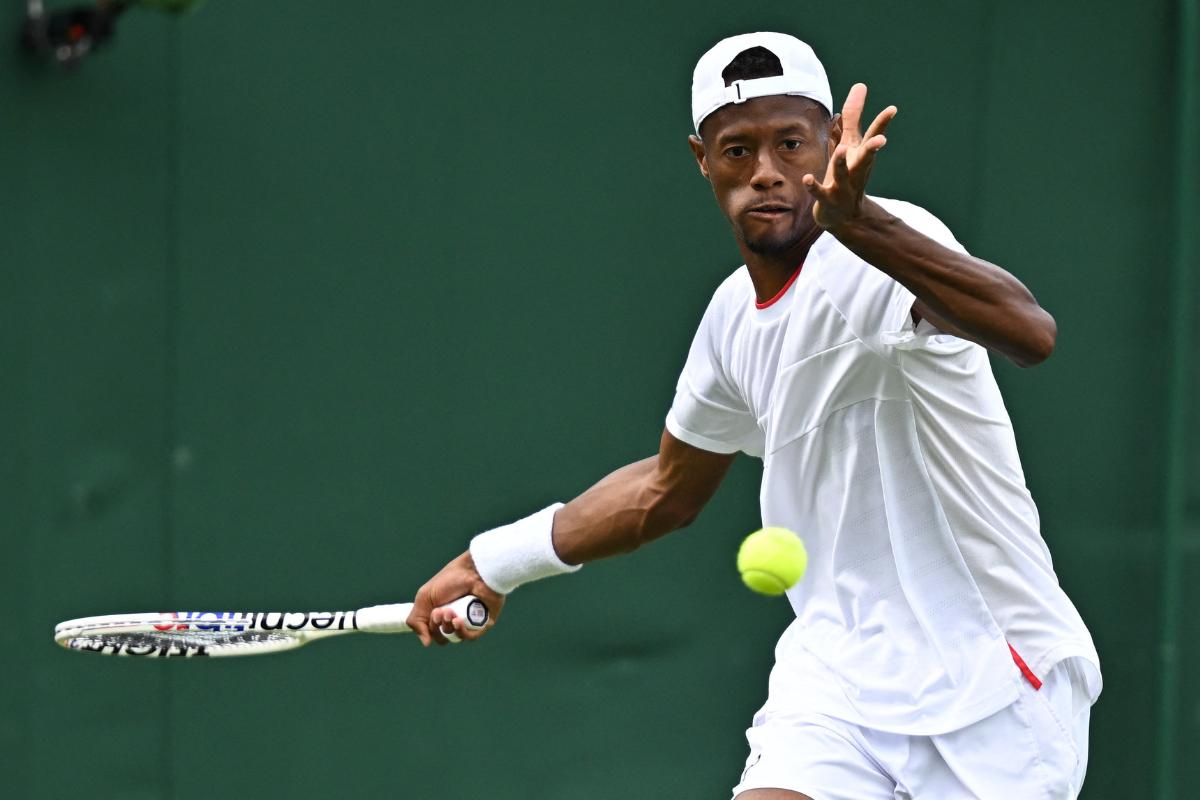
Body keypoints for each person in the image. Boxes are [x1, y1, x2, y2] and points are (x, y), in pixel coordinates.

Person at [406, 31, 1101, 799]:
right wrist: (492, 562)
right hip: (836, 681)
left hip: (998, 680)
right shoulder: (731, 320)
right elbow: (667, 490)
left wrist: (862, 223)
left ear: (834, 139)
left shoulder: (889, 244)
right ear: (702, 159)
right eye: (738, 151)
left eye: (792, 143)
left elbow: (1029, 334)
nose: (768, 172)